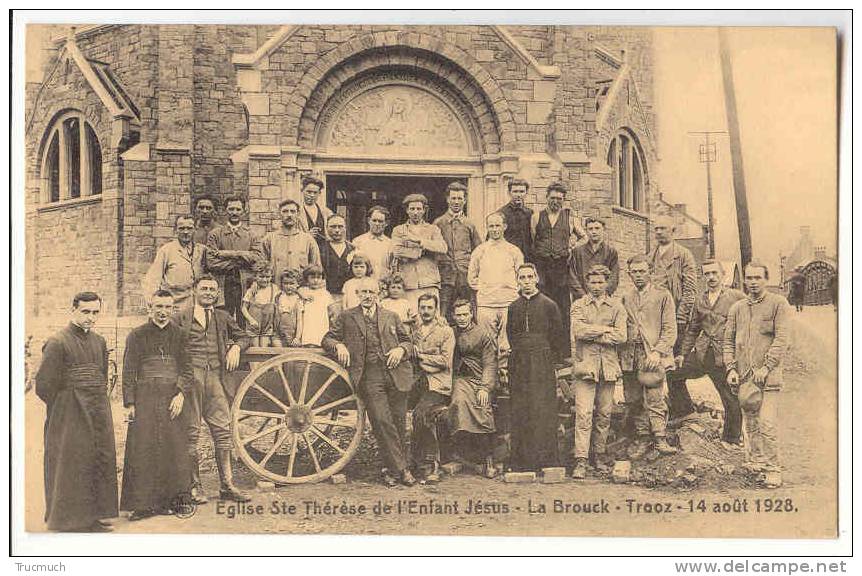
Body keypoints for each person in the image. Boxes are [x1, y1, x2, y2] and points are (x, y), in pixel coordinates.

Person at [35, 291, 118, 532]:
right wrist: (65, 407)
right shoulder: (57, 342)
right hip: (69, 411)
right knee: (73, 460)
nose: (90, 318)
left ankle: (93, 517)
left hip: (97, 408)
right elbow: (44, 386)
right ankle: (69, 520)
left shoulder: (99, 342)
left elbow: (102, 374)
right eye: (85, 312)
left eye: (95, 312)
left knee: (97, 458)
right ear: (73, 310)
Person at [322, 277, 416, 487]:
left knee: (398, 422)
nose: (366, 296)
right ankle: (403, 470)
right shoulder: (347, 317)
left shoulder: (391, 316)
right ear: (357, 294)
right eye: (363, 292)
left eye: (370, 292)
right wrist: (339, 346)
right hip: (369, 375)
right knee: (382, 420)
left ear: (378, 294)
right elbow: (327, 338)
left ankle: (390, 470)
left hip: (396, 374)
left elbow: (409, 341)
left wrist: (401, 350)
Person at [172, 275, 250, 503]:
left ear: (217, 293)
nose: (208, 292)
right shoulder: (181, 317)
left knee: (223, 431)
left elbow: (244, 336)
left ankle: (227, 485)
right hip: (191, 380)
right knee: (191, 433)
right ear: (195, 290)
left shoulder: (223, 317)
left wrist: (236, 347)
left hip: (216, 378)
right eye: (204, 288)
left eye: (212, 289)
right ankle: (194, 486)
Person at [120, 290, 193, 521]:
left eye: (167, 308)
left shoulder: (180, 335)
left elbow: (187, 369)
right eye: (158, 307)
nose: (162, 312)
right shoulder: (136, 335)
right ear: (149, 308)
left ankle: (172, 501)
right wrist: (130, 403)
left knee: (173, 448)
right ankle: (142, 505)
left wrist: (181, 394)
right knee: (144, 448)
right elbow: (129, 370)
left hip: (172, 399)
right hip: (145, 398)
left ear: (173, 310)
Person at [724, 261, 791, 488]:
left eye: (757, 278)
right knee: (750, 423)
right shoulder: (737, 308)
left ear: (766, 279)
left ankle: (773, 469)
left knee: (767, 424)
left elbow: (782, 340)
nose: (753, 283)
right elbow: (729, 341)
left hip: (769, 378)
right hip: (744, 377)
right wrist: (731, 368)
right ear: (744, 280)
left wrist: (767, 367)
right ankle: (757, 462)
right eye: (749, 278)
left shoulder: (778, 304)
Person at [676, 260, 746, 445]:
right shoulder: (701, 299)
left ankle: (731, 438)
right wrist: (682, 354)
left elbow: (747, 328)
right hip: (702, 353)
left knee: (729, 397)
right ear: (703, 277)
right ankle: (685, 412)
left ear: (723, 275)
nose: (711, 278)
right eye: (707, 274)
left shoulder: (737, 297)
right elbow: (693, 329)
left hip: (724, 356)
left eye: (715, 273)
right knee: (673, 374)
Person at [569, 265, 627, 479]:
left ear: (607, 282)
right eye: (592, 282)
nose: (596, 286)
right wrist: (605, 330)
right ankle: (581, 460)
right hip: (586, 367)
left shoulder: (617, 306)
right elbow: (578, 331)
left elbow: (622, 336)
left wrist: (593, 332)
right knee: (583, 414)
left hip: (608, 367)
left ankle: (599, 455)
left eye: (600, 282)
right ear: (587, 284)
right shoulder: (579, 305)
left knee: (604, 414)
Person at [506, 263, 565, 472]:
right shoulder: (513, 307)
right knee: (521, 407)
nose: (527, 281)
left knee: (542, 407)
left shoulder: (549, 305)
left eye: (530, 277)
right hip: (520, 361)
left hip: (542, 361)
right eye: (522, 278)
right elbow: (511, 335)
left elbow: (558, 337)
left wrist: (549, 359)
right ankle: (522, 461)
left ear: (537, 278)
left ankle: (545, 460)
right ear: (518, 281)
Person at [619, 254, 678, 458]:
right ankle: (642, 438)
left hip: (651, 355)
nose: (638, 275)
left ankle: (660, 438)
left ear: (650, 272)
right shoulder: (626, 297)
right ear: (629, 274)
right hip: (629, 355)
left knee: (654, 397)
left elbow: (670, 330)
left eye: (642, 271)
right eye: (634, 272)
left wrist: (657, 351)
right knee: (634, 399)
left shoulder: (663, 296)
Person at [647, 215, 699, 421]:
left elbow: (690, 289)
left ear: (673, 231)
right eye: (656, 229)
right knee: (657, 363)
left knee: (674, 366)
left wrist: (681, 316)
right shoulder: (650, 256)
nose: (659, 232)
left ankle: (684, 410)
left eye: (664, 229)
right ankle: (664, 409)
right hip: (655, 319)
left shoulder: (684, 256)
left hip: (676, 318)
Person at [531, 181, 585, 357]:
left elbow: (583, 237)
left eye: (559, 199)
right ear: (546, 198)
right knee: (542, 307)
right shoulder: (537, 217)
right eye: (552, 198)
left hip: (561, 269)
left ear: (563, 200)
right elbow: (533, 239)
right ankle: (543, 351)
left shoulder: (569, 218)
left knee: (562, 310)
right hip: (543, 268)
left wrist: (571, 246)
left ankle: (562, 354)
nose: (555, 201)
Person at [448, 299, 499, 477]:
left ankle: (488, 458)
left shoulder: (483, 334)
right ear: (453, 316)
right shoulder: (450, 332)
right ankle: (462, 454)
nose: (461, 318)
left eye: (465, 314)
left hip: (479, 379)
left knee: (482, 406)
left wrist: (485, 387)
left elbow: (490, 364)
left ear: (471, 314)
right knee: (459, 402)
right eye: (458, 315)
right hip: (460, 378)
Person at [410, 293, 456, 484]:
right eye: (423, 308)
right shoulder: (415, 330)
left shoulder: (445, 331)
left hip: (438, 384)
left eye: (430, 308)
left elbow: (445, 362)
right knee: (392, 405)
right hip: (418, 381)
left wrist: (421, 356)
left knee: (421, 414)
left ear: (436, 309)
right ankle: (405, 463)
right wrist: (428, 359)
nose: (426, 311)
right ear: (418, 309)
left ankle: (430, 464)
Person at [467, 212, 523, 367]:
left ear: (504, 227)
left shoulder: (514, 251)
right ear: (487, 227)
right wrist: (486, 288)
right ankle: (491, 380)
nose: (494, 229)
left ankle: (505, 376)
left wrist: (511, 290)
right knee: (488, 342)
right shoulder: (480, 250)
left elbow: (521, 276)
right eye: (491, 226)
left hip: (509, 302)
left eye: (498, 225)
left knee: (506, 343)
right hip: (486, 303)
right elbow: (471, 278)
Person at [206, 195, 260, 326]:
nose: (234, 212)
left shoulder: (252, 234)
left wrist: (229, 253)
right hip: (223, 282)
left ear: (244, 211)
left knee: (244, 316)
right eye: (231, 209)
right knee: (222, 316)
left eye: (238, 209)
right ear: (225, 211)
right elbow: (211, 262)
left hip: (244, 282)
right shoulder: (215, 234)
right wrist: (242, 258)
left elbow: (257, 258)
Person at [391, 193, 448, 312]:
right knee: (410, 318)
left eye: (419, 209)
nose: (415, 212)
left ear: (424, 210)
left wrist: (419, 241)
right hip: (408, 283)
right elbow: (397, 251)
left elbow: (442, 247)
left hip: (429, 281)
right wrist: (421, 252)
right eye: (412, 209)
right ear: (407, 210)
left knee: (431, 319)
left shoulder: (433, 229)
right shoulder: (398, 230)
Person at [434, 181, 482, 321]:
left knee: (467, 311)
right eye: (453, 198)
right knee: (443, 314)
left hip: (465, 276)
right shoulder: (438, 223)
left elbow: (478, 251)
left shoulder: (469, 224)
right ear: (448, 199)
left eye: (460, 198)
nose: (456, 202)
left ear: (465, 200)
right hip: (445, 276)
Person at [143, 215, 208, 309]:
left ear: (195, 230)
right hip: (174, 306)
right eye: (181, 228)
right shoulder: (166, 250)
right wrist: (153, 303)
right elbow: (152, 279)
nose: (185, 232)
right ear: (175, 230)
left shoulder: (202, 250)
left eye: (189, 228)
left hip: (196, 306)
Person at [256, 199, 321, 283]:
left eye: (293, 211)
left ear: (298, 214)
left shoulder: (308, 240)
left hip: (301, 291)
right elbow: (261, 268)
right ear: (279, 214)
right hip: (276, 289)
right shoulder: (269, 239)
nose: (289, 215)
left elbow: (316, 268)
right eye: (285, 211)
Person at [569, 216, 620, 301]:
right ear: (586, 231)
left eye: (597, 228)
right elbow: (572, 276)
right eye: (590, 229)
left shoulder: (611, 252)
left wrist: (604, 294)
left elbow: (614, 277)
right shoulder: (577, 252)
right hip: (581, 299)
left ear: (603, 229)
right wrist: (583, 296)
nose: (594, 232)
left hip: (603, 300)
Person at [241, 263, 281, 347]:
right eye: (261, 277)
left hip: (267, 324)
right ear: (255, 277)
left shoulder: (274, 288)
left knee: (264, 347)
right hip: (254, 324)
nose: (264, 280)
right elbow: (243, 308)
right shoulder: (252, 290)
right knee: (255, 347)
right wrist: (250, 319)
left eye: (267, 277)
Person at [319, 214, 355, 301]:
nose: (337, 230)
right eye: (333, 227)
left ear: (345, 228)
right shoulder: (320, 248)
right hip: (326, 295)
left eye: (340, 227)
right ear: (326, 228)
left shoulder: (352, 248)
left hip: (348, 295)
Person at [353, 205, 394, 281]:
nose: (377, 224)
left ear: (386, 223)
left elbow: (392, 267)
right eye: (374, 220)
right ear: (369, 220)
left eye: (380, 221)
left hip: (383, 285)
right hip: (364, 286)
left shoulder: (391, 244)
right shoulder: (358, 242)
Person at [498, 178, 533, 261]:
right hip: (507, 258)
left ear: (526, 193)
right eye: (515, 191)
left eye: (521, 191)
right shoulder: (501, 214)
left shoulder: (530, 213)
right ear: (509, 193)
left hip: (526, 258)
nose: (518, 195)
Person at [298, 264, 333, 346]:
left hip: (321, 322)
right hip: (308, 322)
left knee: (321, 341)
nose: (316, 280)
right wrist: (302, 294)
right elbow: (298, 290)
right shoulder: (304, 291)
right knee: (309, 342)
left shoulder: (325, 293)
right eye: (312, 278)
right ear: (307, 279)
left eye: (318, 277)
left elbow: (331, 311)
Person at [295, 175, 333, 245]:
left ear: (319, 193)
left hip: (323, 250)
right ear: (302, 191)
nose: (312, 195)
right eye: (309, 192)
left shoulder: (327, 212)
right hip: (304, 249)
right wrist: (307, 235)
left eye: (315, 193)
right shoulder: (296, 213)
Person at [274, 269, 304, 347]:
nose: (288, 286)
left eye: (291, 283)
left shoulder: (298, 300)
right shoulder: (278, 296)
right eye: (285, 283)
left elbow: (299, 320)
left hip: (292, 334)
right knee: (277, 349)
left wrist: (297, 337)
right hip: (278, 333)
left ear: (298, 284)